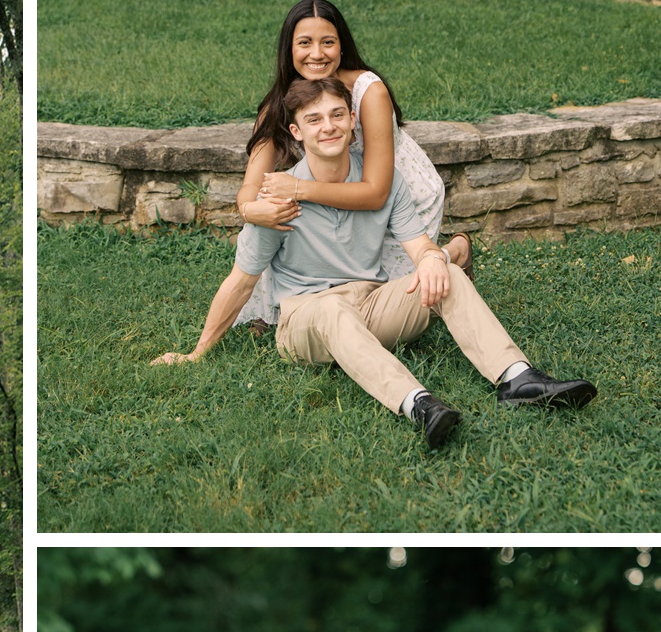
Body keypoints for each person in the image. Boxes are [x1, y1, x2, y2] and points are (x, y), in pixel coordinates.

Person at [151, 75, 597, 446]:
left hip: (371, 305)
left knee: (446, 271)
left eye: (337, 115)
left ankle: (518, 379)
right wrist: (196, 353)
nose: (327, 126)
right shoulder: (279, 196)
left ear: (351, 123)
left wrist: (430, 259)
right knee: (330, 309)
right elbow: (241, 281)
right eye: (314, 120)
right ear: (296, 132)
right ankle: (419, 405)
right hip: (305, 322)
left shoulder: (382, 181)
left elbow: (418, 244)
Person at [234, 0, 472, 335]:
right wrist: (250, 210)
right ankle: (289, 305)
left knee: (392, 302)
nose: (317, 53)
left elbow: (376, 194)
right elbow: (250, 184)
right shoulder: (282, 103)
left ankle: (455, 252)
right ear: (289, 49)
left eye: (327, 42)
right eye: (305, 43)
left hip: (394, 193)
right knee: (280, 216)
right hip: (334, 191)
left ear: (342, 46)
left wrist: (299, 189)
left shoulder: (368, 92)